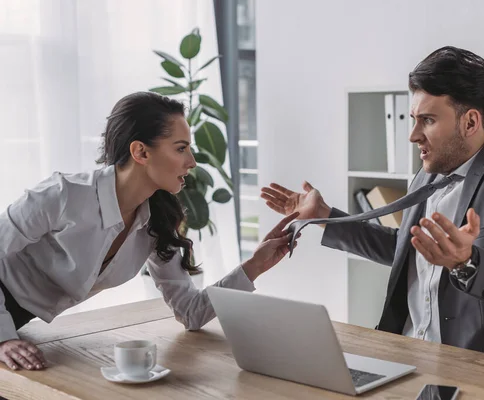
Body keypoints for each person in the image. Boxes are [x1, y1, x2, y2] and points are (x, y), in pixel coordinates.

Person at [261, 46, 484, 363]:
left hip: (475, 375)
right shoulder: (427, 174)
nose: (413, 135)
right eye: (413, 119)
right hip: (405, 361)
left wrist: (467, 262)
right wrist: (324, 216)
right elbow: (407, 250)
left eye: (428, 120)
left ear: (471, 122)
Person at [0, 91, 299, 371]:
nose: (192, 162)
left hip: (20, 326)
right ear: (141, 152)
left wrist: (255, 265)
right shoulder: (62, 195)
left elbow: (191, 312)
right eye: (181, 148)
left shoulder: (155, 222)